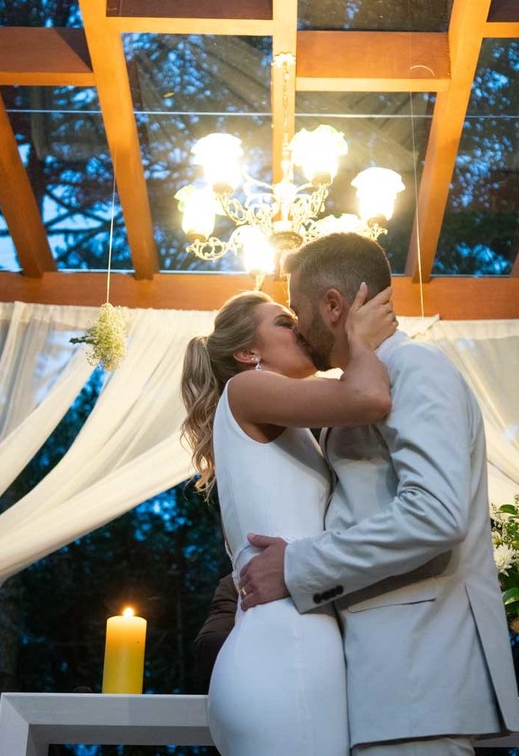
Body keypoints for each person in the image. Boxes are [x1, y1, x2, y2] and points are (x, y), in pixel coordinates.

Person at [238, 232, 519, 756]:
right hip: (382, 684)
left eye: (298, 310)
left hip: (416, 678)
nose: (299, 327)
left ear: (332, 306)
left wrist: (296, 566)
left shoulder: (417, 369)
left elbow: (435, 516)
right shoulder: (357, 392)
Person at [180, 284, 398, 756]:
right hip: (286, 646)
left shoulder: (285, 420)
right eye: (283, 321)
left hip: (283, 640)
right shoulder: (247, 389)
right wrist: (360, 338)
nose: (299, 326)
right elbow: (369, 397)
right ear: (247, 352)